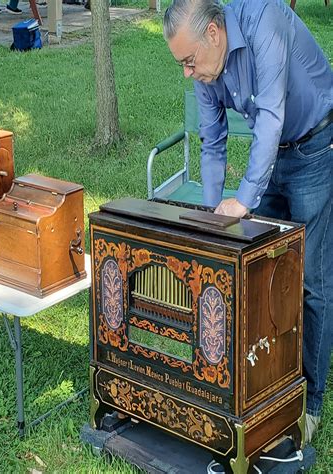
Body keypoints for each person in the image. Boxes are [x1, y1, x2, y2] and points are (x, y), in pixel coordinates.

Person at [163, 0, 332, 443]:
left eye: (188, 61)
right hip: (272, 151)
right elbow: (213, 140)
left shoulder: (264, 19)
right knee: (265, 276)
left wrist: (245, 200)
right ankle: (268, 389)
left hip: (315, 144)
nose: (187, 72)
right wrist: (217, 218)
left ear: (214, 34)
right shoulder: (206, 66)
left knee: (309, 280)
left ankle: (309, 402)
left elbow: (273, 114)